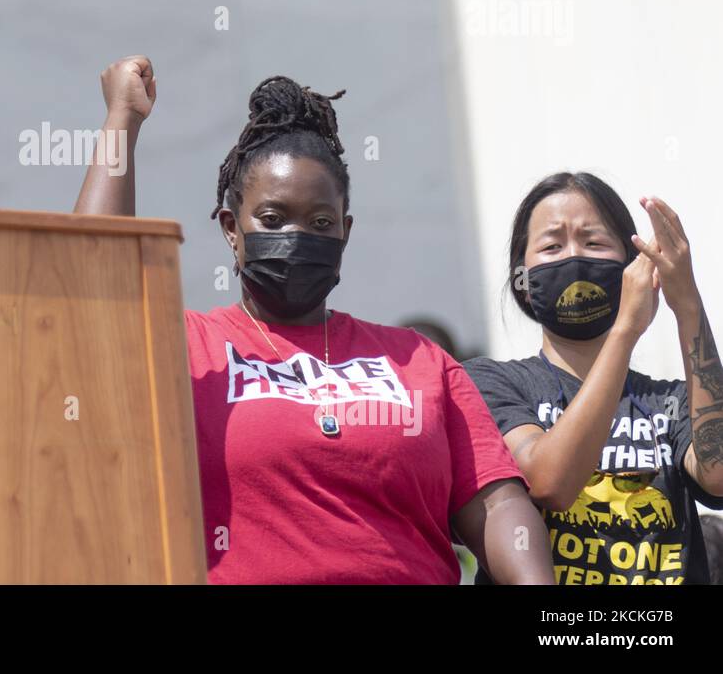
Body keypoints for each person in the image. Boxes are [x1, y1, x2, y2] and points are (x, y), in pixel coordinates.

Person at [74, 56, 553, 584]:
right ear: (232, 229)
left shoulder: (420, 360)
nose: (299, 235)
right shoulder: (186, 348)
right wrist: (122, 119)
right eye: (274, 219)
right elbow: (97, 287)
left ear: (345, 232)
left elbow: (497, 504)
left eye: (321, 222)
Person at [465, 172, 723, 584]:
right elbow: (549, 481)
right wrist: (625, 332)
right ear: (524, 282)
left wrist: (687, 304)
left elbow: (718, 471)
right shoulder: (489, 382)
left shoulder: (670, 401)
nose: (574, 258)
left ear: (632, 268)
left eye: (594, 242)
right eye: (551, 246)